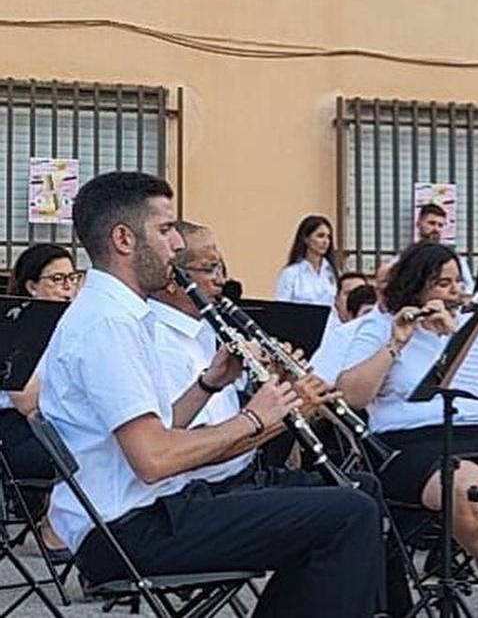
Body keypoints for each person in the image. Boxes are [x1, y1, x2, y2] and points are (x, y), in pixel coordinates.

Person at [39, 172, 386, 617]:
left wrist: (209, 384)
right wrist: (256, 419)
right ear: (124, 239)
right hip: (128, 529)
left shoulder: (117, 315)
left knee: (349, 503)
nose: (176, 245)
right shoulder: (108, 325)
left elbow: (159, 429)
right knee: (348, 515)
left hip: (145, 512)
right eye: (164, 230)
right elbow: (154, 459)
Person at [336, 241, 478, 617]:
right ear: (417, 285)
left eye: (456, 282)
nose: (454, 291)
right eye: (443, 284)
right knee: (465, 488)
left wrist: (457, 336)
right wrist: (396, 343)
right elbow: (351, 395)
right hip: (405, 439)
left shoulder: (464, 324)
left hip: (471, 426)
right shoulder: (378, 326)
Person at [1, 243, 81, 560]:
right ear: (32, 286)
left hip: (54, 418)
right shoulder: (14, 326)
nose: (68, 288)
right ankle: (53, 526)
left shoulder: (73, 326)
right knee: (81, 451)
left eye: (73, 278)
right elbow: (27, 399)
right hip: (17, 426)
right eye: (57, 280)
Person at [275, 214, 340, 306]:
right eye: (320, 236)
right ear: (306, 239)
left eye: (328, 237)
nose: (325, 241)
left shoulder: (333, 272)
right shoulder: (291, 273)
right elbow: (282, 307)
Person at [415, 203, 475, 293]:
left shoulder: (454, 258)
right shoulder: (408, 256)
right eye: (431, 223)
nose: (436, 229)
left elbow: (469, 288)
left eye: (440, 225)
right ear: (419, 223)